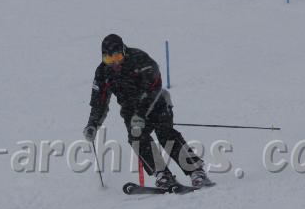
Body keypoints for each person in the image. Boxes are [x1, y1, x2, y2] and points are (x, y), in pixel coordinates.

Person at [83, 34, 214, 189]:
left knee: (165, 134)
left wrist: (141, 114)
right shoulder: (102, 72)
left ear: (124, 51)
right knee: (136, 138)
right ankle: (163, 175)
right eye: (109, 59)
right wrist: (92, 124)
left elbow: (154, 86)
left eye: (117, 57)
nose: (115, 63)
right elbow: (99, 103)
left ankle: (196, 172)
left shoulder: (139, 59)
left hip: (157, 103)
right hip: (130, 111)